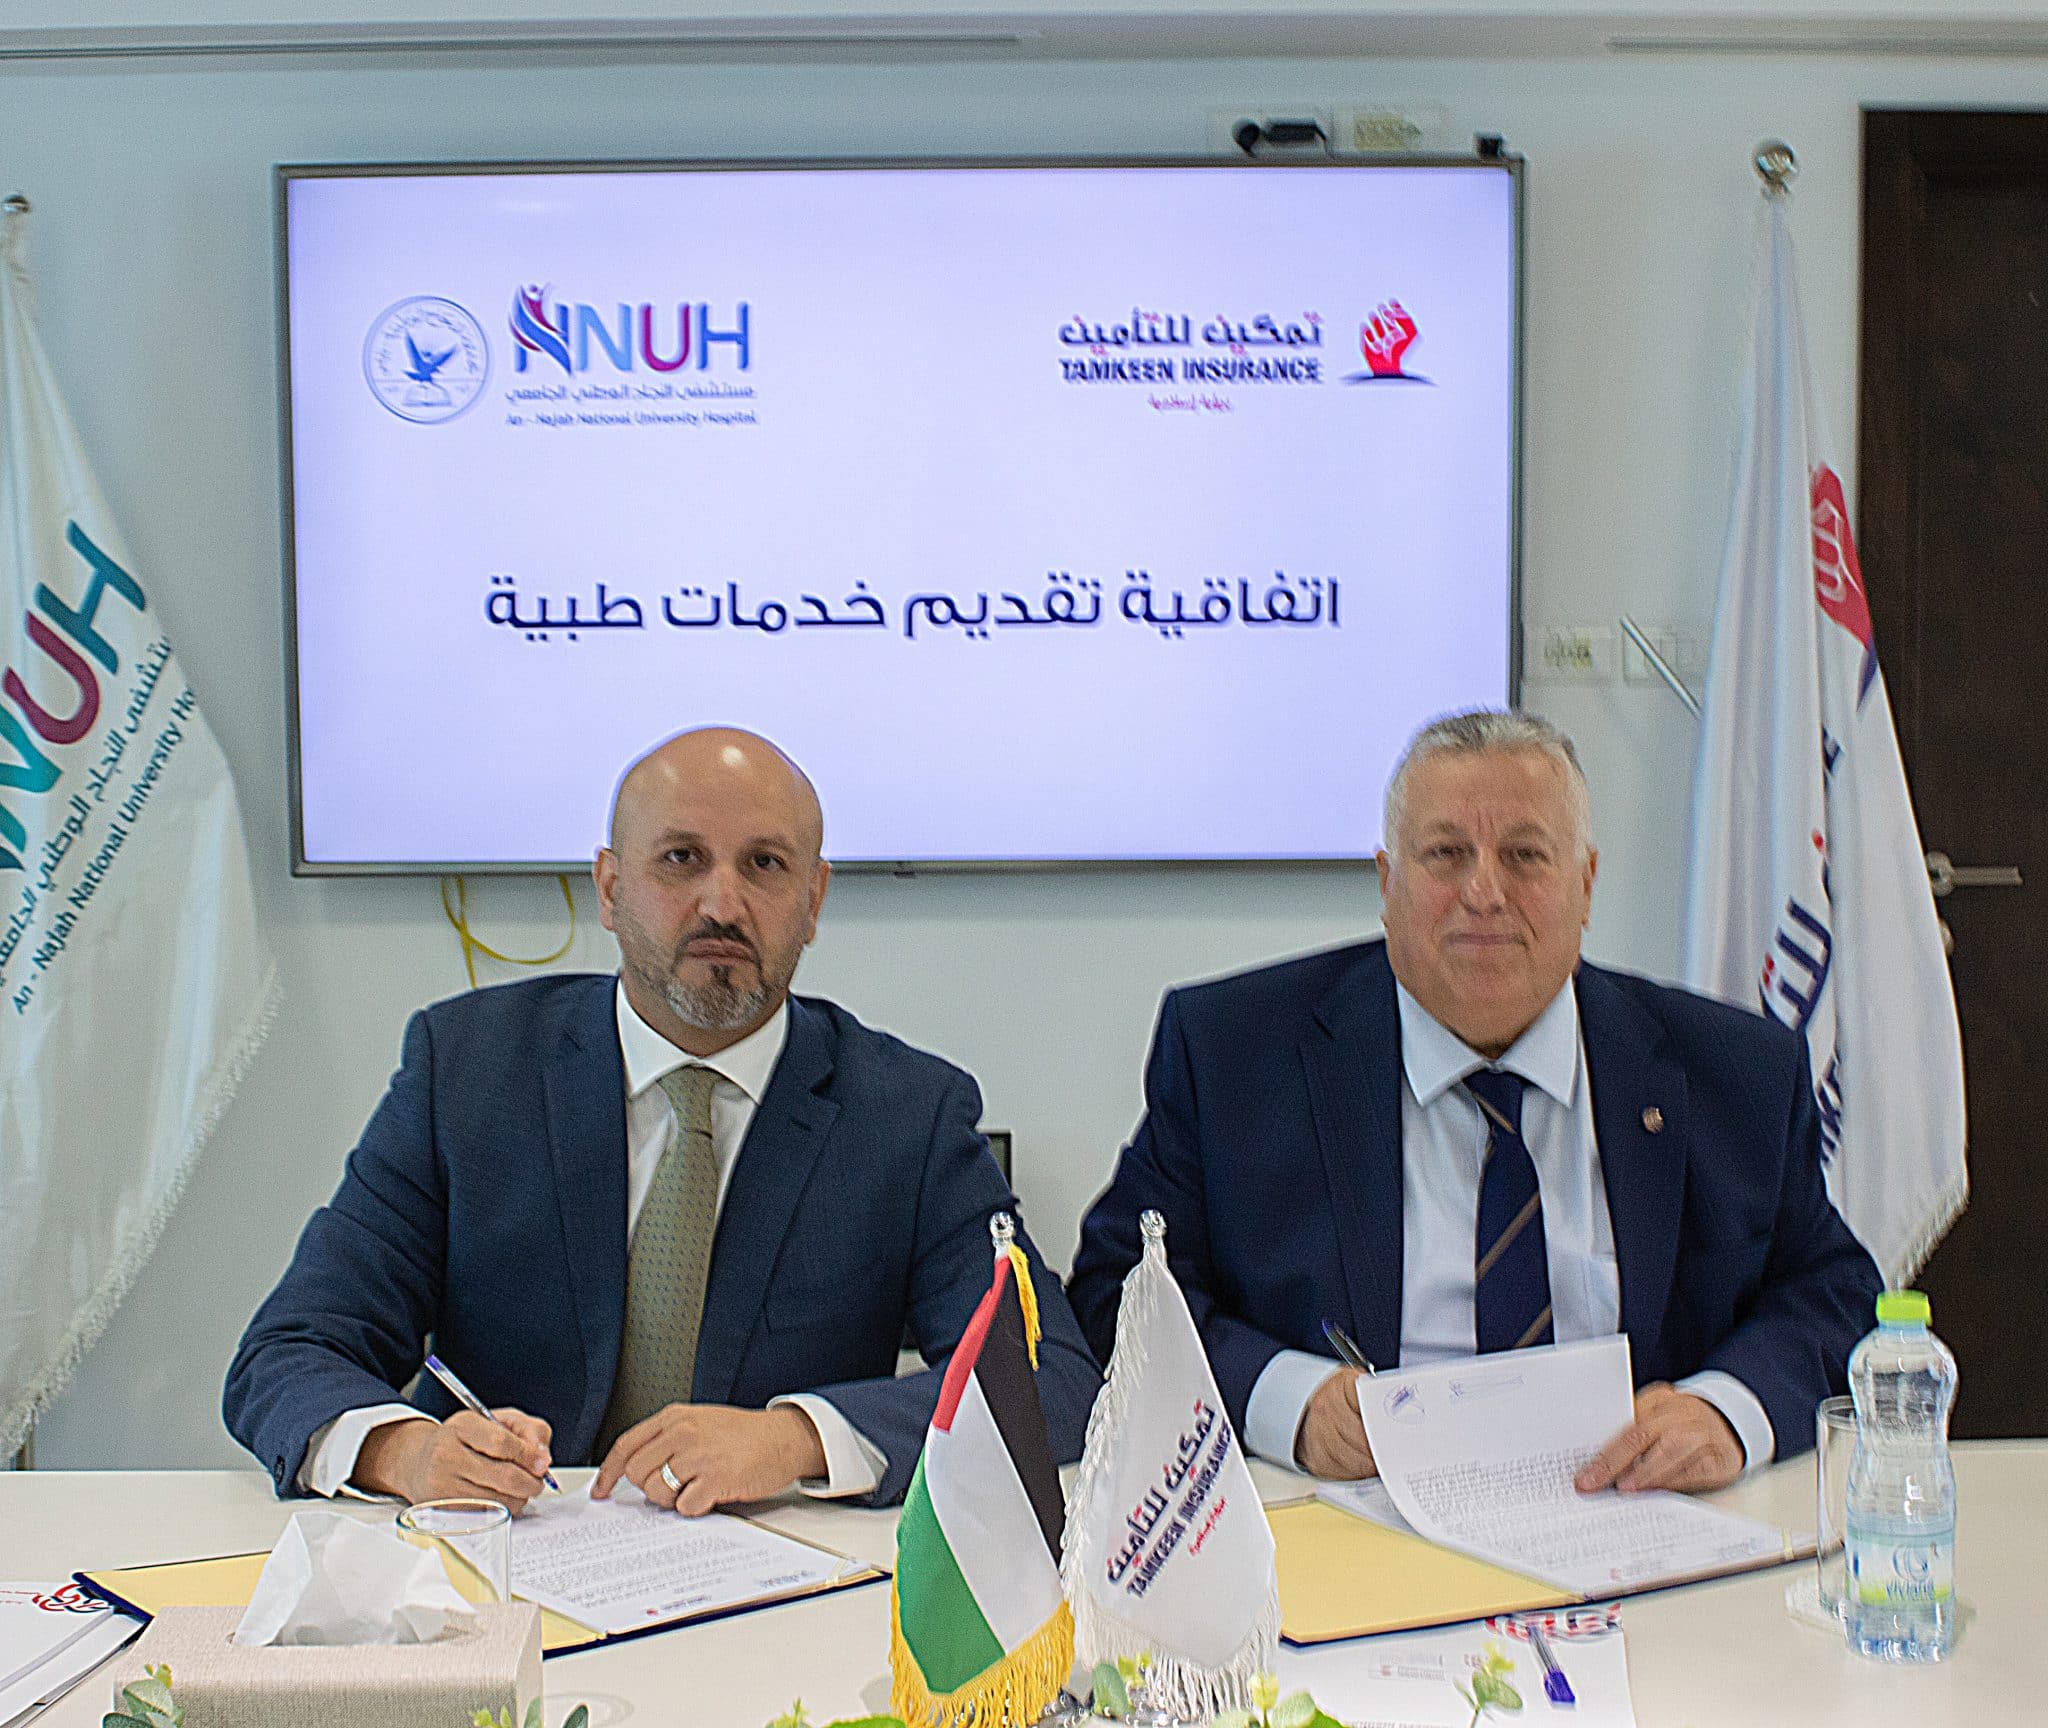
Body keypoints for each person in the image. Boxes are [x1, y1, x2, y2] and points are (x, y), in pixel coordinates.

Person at [225, 727, 1098, 1512]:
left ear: (814, 900)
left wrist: (794, 1437)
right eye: (681, 859)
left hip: (781, 1580)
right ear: (609, 888)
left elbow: (1049, 1376)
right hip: (507, 1565)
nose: (722, 904)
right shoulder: (467, 1072)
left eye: (765, 865)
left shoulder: (907, 1114)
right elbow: (289, 1350)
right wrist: (408, 1454)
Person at [1068, 709, 1881, 1495]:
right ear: (1388, 883)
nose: (1484, 892)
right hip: (1357, 1519)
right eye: (1446, 854)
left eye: (1525, 855)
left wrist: (1726, 1412)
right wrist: (1290, 1402)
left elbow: (1833, 1293)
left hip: (1635, 1512)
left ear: (1586, 884)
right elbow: (1118, 1290)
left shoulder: (1735, 1072)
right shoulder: (1232, 1056)